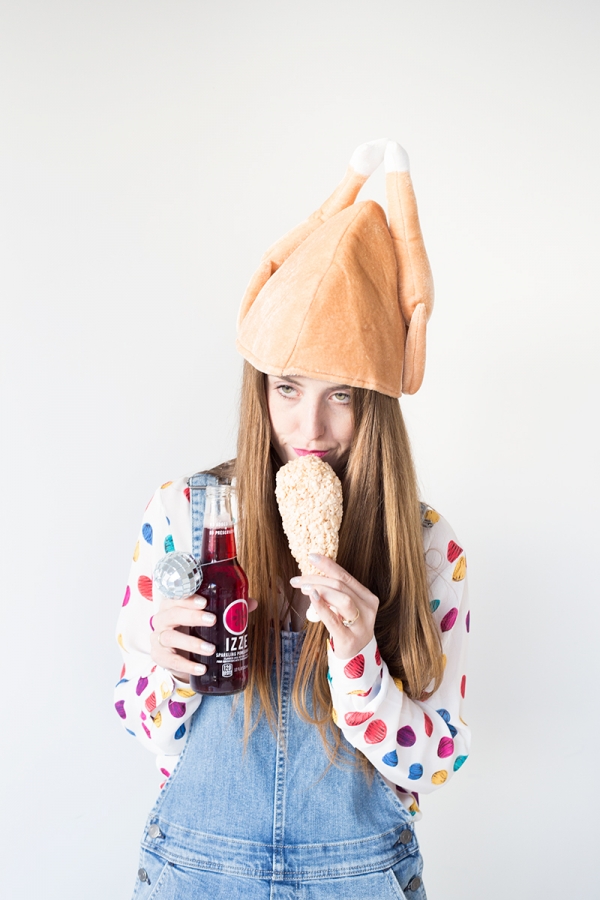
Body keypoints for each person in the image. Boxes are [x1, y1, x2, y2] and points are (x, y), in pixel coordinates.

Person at [115, 139, 470, 899]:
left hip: (358, 881)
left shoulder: (429, 546)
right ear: (259, 388)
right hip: (197, 877)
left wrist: (361, 664)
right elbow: (145, 726)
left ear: (374, 402)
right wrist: (168, 673)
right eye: (287, 388)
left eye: (340, 394)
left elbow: (437, 761)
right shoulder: (184, 514)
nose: (309, 427)